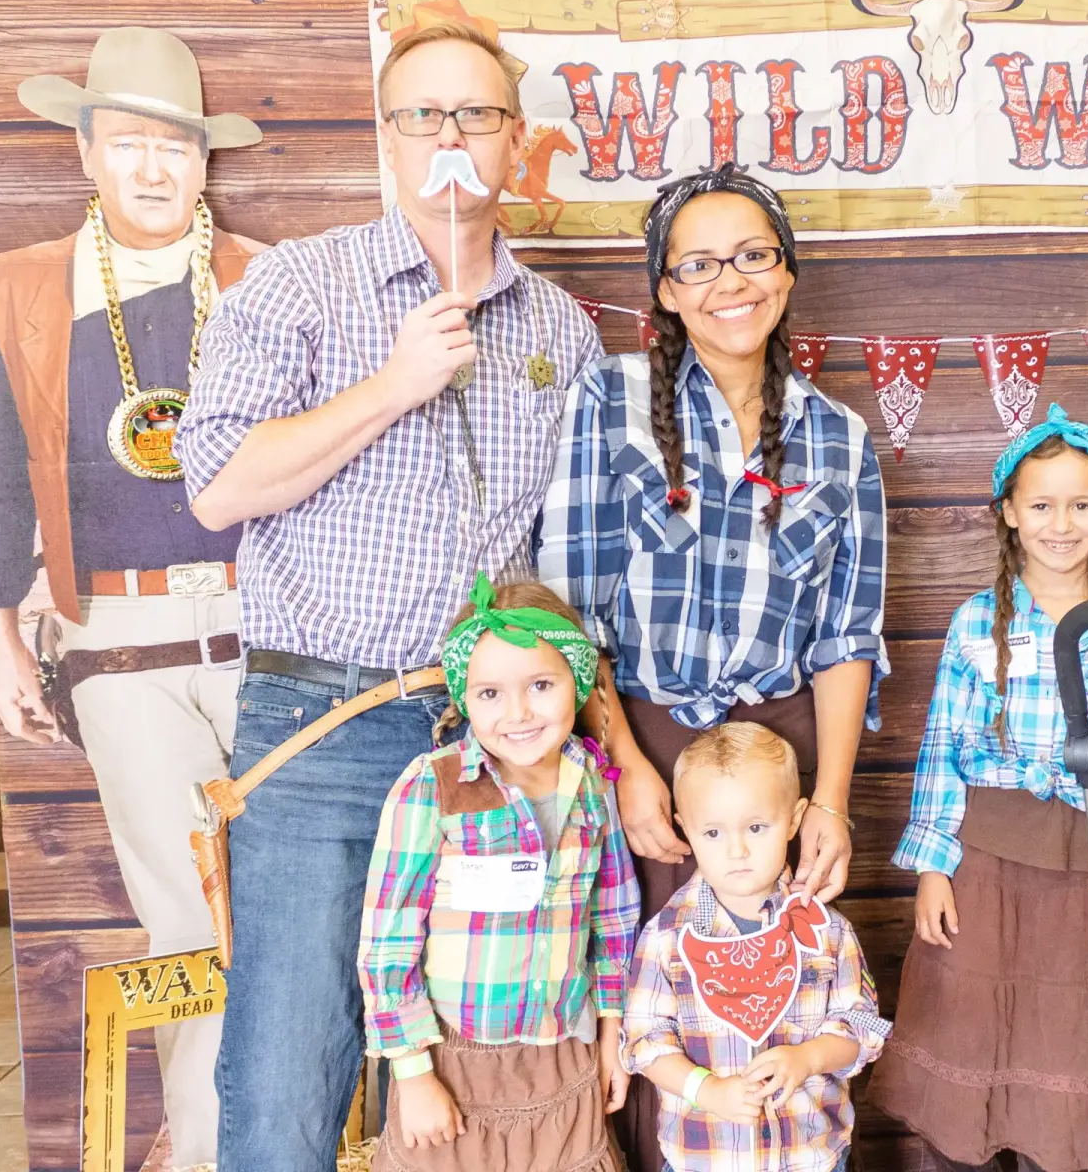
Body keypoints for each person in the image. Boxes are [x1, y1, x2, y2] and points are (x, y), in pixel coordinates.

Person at [174, 18, 601, 1170]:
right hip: (322, 729)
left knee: (477, 1077)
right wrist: (395, 383)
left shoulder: (561, 330)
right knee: (287, 1073)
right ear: (388, 138)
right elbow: (215, 487)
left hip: (490, 743)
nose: (449, 135)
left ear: (514, 142)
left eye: (476, 114)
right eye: (424, 114)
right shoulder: (300, 285)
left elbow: (563, 557)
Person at [534, 163, 887, 1169]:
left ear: (785, 272)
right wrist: (629, 762)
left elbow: (847, 636)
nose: (730, 280)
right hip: (645, 732)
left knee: (785, 981)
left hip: (783, 750)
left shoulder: (838, 436)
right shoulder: (611, 404)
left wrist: (830, 799)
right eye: (699, 263)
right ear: (664, 288)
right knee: (660, 992)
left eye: (753, 255)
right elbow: (573, 604)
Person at [0, 26, 265, 1170]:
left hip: (267, 625)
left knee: (291, 907)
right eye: (129, 142)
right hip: (120, 636)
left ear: (204, 162)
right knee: (192, 918)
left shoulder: (257, 277)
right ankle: (205, 1153)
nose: (153, 169)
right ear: (86, 149)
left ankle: (272, 1136)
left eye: (174, 147)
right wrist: (1, 643)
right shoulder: (24, 287)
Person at [868, 404, 1088, 1172]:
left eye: (1081, 503)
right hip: (985, 857)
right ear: (1009, 514)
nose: (1061, 523)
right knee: (969, 1018)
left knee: (1065, 1027)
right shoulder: (976, 625)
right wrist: (933, 866)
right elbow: (943, 752)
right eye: (1041, 504)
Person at [357, 573, 636, 1172]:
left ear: (578, 682)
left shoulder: (591, 785)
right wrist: (412, 1076)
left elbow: (612, 921)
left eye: (540, 685)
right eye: (489, 694)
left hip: (562, 1058)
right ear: (464, 696)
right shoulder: (435, 786)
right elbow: (388, 941)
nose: (518, 713)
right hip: (451, 1062)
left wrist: (612, 1034)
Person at [619, 723, 889, 1172]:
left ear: (795, 820)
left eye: (756, 827)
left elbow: (860, 1026)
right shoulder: (667, 937)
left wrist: (808, 1058)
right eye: (713, 833)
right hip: (703, 1161)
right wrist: (708, 1091)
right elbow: (645, 1041)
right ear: (685, 829)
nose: (737, 850)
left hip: (810, 1158)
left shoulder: (826, 932)